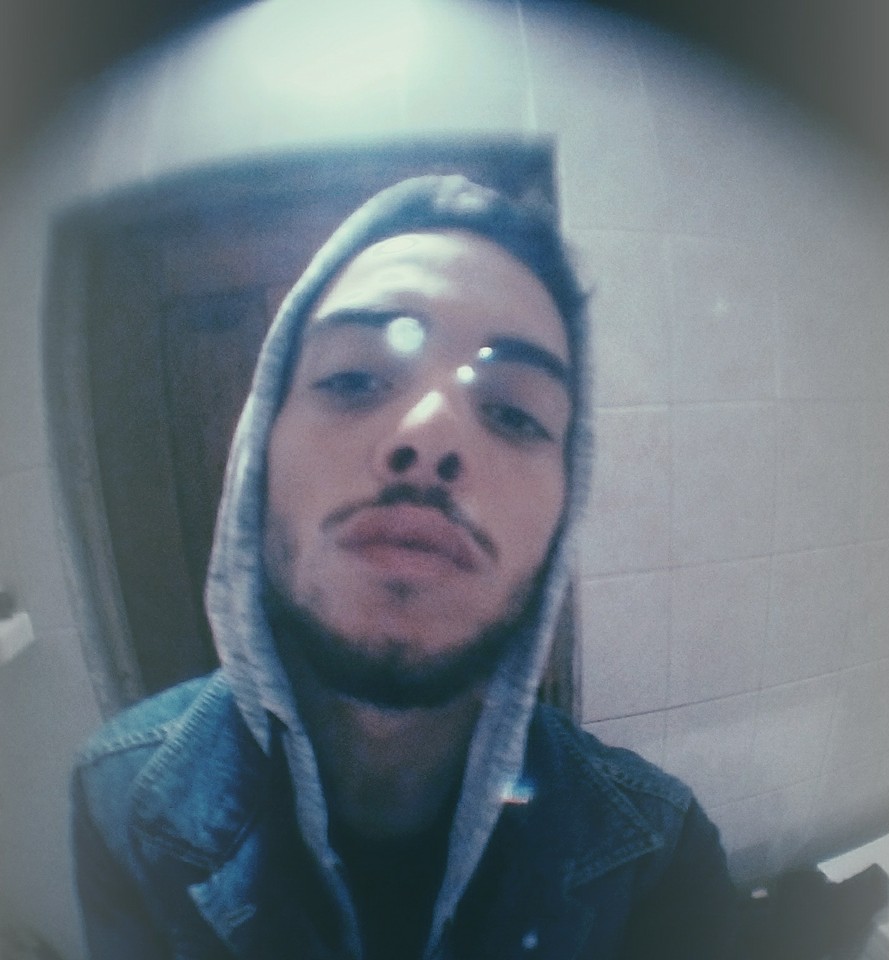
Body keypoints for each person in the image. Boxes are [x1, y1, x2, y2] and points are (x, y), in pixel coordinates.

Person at [71, 175, 740, 959]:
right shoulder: (117, 804)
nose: (429, 432)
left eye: (514, 412)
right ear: (257, 458)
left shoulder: (662, 861)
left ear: (564, 516)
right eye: (353, 379)